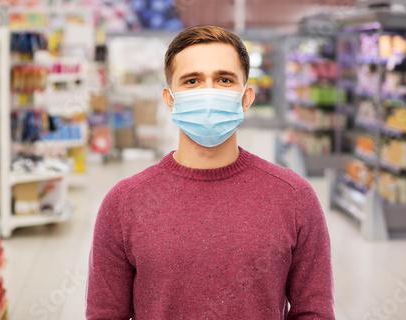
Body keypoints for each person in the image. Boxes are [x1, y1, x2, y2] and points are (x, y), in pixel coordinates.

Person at [86, 25, 335, 319]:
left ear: (246, 97)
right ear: (169, 98)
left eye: (224, 79)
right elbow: (105, 314)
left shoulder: (294, 197)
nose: (208, 92)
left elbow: (314, 312)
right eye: (192, 81)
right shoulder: (123, 203)